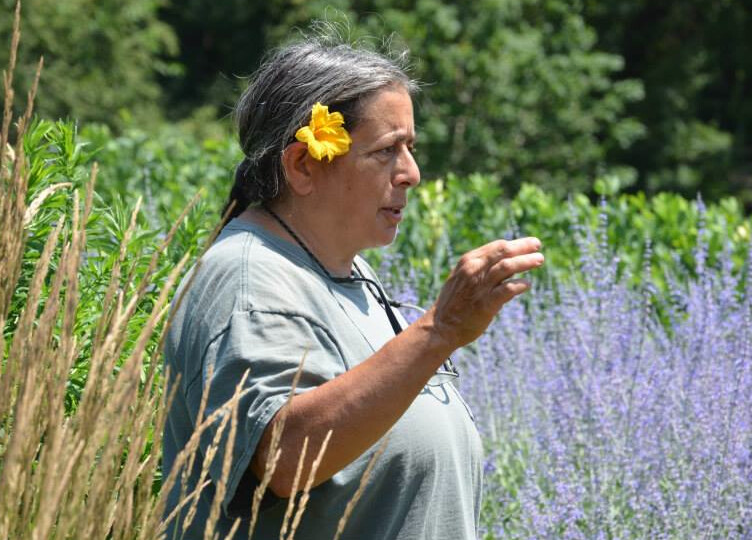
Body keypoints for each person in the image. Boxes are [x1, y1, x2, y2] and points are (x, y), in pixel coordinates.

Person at [161, 31, 544, 540]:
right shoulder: (249, 280)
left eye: (410, 147)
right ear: (302, 164)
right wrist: (439, 330)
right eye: (387, 150)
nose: (412, 173)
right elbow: (284, 456)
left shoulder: (347, 271)